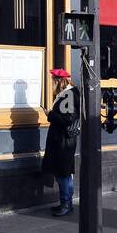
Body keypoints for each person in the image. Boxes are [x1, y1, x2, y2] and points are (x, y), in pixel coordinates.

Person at [44, 68, 81, 216]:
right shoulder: (69, 94)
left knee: (63, 173)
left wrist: (50, 114)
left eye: (53, 80)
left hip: (63, 140)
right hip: (64, 139)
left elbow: (67, 119)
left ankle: (66, 203)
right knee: (65, 172)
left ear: (59, 81)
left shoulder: (68, 96)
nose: (52, 83)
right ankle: (67, 202)